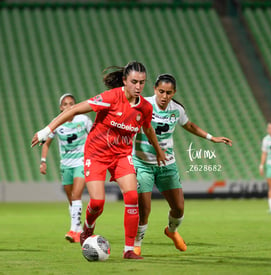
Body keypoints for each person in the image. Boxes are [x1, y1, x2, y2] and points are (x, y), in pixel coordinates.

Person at [31, 61, 166, 259]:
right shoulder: (111, 97)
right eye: (134, 82)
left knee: (131, 198)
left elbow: (147, 128)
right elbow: (75, 109)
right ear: (124, 81)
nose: (138, 87)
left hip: (122, 156)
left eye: (142, 82)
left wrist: (158, 150)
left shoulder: (144, 107)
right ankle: (87, 228)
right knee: (97, 202)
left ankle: (129, 250)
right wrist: (47, 130)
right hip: (96, 154)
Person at [132, 74, 232, 256]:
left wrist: (212, 137)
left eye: (169, 93)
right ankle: (136, 245)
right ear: (154, 89)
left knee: (178, 208)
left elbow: (189, 126)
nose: (164, 96)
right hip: (142, 162)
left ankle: (171, 231)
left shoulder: (176, 109)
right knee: (144, 208)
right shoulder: (142, 104)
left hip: (167, 164)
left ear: (174, 93)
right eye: (161, 91)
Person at [39, 93, 92, 243]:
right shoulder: (58, 123)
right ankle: (79, 229)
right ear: (61, 107)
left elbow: (95, 135)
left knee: (76, 195)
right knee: (71, 199)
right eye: (65, 104)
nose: (68, 106)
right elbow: (46, 142)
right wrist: (43, 161)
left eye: (71, 103)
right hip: (66, 164)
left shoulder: (84, 120)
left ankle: (73, 230)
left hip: (81, 162)